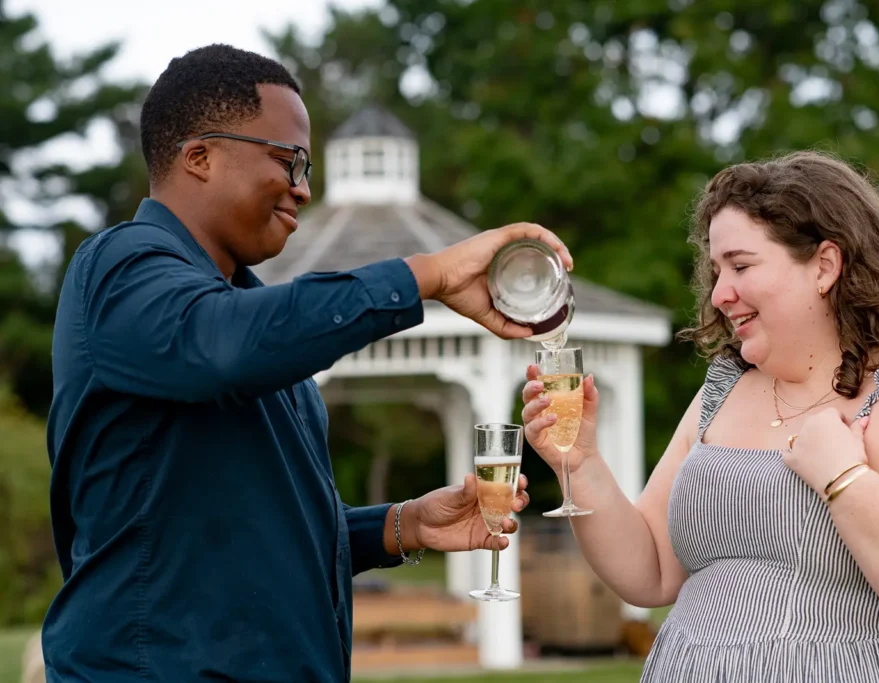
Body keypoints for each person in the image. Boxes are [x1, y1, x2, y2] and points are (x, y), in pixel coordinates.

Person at [43, 43, 569, 682]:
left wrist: (404, 526)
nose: (304, 188)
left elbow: (251, 536)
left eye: (308, 165)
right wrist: (424, 275)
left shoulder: (255, 317)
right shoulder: (121, 269)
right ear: (200, 157)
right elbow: (219, 345)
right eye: (287, 160)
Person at [522, 151, 879, 681]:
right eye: (716, 271)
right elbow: (650, 573)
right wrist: (581, 464)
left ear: (825, 265)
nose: (719, 293)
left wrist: (846, 480)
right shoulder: (722, 389)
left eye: (741, 265)